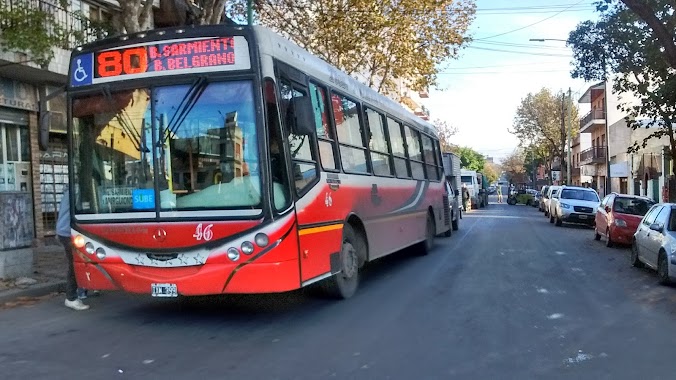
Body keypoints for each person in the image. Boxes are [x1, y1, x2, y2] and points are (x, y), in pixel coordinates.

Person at [57, 190, 89, 311]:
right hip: (69, 232)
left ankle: (81, 291)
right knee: (74, 264)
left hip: (64, 231)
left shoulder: (69, 190)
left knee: (78, 262)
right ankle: (71, 298)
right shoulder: (77, 190)